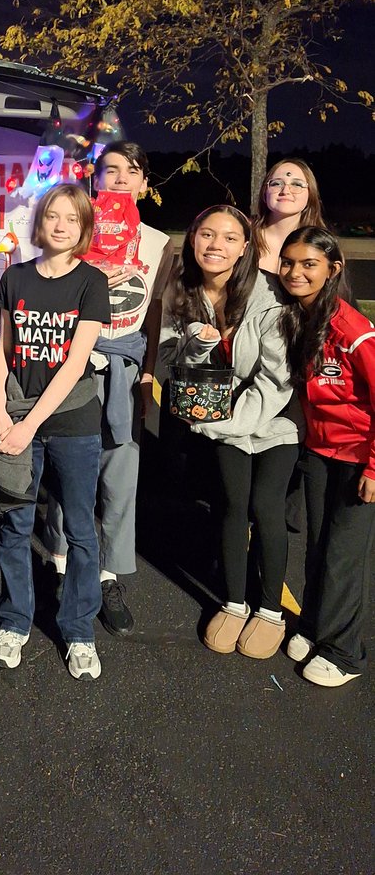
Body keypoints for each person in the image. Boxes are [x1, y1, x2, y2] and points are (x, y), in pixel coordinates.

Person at [157, 205, 302, 659]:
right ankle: (235, 603)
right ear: (193, 239)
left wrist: (227, 424)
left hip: (275, 416)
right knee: (232, 503)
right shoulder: (183, 291)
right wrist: (196, 344)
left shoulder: (268, 295)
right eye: (205, 234)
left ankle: (270, 611)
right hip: (219, 416)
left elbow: (277, 378)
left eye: (228, 237)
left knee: (265, 505)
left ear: (245, 246)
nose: (215, 245)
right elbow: (170, 363)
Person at [43, 141, 173, 635]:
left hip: (124, 366)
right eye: (109, 170)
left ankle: (108, 574)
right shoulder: (72, 234)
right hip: (71, 368)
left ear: (144, 183)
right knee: (66, 470)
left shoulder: (158, 243)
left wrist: (146, 373)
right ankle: (59, 564)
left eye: (130, 172)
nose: (119, 179)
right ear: (93, 178)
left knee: (120, 479)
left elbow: (155, 310)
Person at [0, 183, 111, 680]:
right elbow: (4, 347)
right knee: (15, 524)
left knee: (80, 529)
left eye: (71, 218)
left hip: (72, 425)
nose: (60, 225)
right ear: (40, 222)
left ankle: (78, 630)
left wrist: (28, 424)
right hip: (14, 416)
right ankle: (15, 620)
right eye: (53, 216)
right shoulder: (15, 277)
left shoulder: (91, 282)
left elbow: (75, 362)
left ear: (83, 228)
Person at [279, 226, 375, 686]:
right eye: (289, 263)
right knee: (318, 545)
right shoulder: (298, 317)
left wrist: (374, 467)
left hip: (359, 456)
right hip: (319, 451)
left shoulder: (353, 328)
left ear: (333, 269)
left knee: (343, 555)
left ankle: (345, 652)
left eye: (309, 264)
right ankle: (316, 626)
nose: (295, 272)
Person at [251, 158, 326, 274]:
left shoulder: (324, 246)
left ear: (310, 194)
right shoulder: (243, 238)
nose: (285, 190)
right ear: (265, 193)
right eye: (276, 183)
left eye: (297, 184)